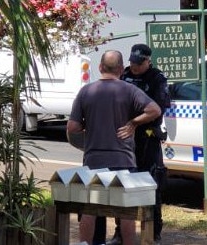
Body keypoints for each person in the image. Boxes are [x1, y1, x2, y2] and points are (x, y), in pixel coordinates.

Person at [66, 50, 161, 245]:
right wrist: (134, 123)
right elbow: (155, 110)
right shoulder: (129, 90)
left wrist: (89, 124)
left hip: (93, 159)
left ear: (100, 67)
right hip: (123, 159)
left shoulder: (86, 91)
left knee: (90, 209)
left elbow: (72, 127)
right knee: (125, 210)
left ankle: (85, 243)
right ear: (120, 69)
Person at [107, 44, 170, 245]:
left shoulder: (157, 79)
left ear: (148, 61)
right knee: (122, 183)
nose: (134, 67)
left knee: (151, 185)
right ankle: (121, 233)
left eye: (138, 64)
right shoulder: (124, 75)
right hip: (125, 136)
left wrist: (136, 122)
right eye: (132, 62)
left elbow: (158, 108)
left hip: (147, 137)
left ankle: (153, 233)